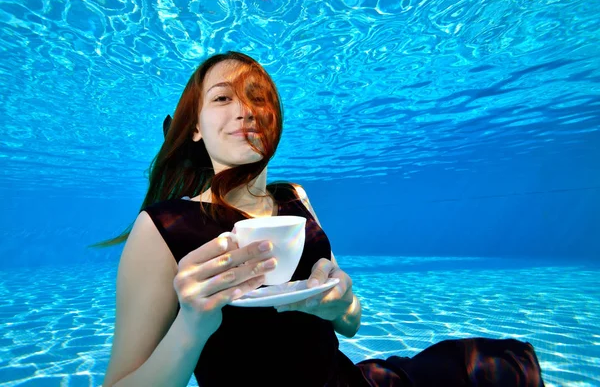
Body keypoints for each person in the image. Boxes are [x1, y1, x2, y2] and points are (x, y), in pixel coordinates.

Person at [99, 51, 545, 387]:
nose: (246, 109)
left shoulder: (295, 198)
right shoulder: (162, 227)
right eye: (222, 98)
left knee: (501, 367)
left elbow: (349, 323)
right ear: (195, 127)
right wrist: (191, 327)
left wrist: (341, 303)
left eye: (259, 98)